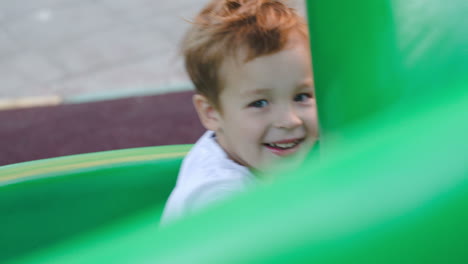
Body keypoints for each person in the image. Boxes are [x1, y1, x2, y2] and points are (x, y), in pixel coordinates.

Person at [161, 0, 318, 224]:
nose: (289, 120)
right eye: (260, 103)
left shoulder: (241, 148)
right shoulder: (220, 200)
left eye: (301, 97)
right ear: (211, 113)